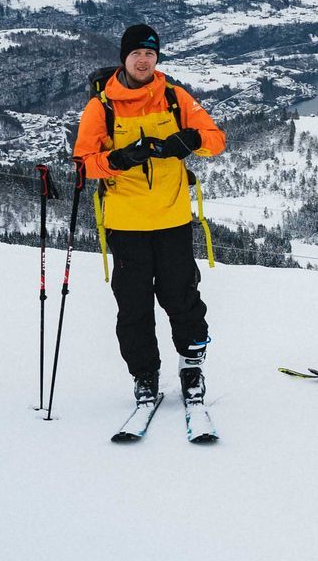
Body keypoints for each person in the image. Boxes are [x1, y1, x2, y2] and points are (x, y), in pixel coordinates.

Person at [72, 23, 227, 408]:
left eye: (150, 54)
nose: (144, 60)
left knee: (182, 297)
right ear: (124, 58)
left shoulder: (175, 97)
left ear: (157, 58)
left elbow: (215, 140)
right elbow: (83, 164)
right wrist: (119, 159)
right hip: (126, 224)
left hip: (172, 219)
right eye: (137, 53)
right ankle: (145, 375)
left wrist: (189, 140)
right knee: (134, 304)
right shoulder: (101, 106)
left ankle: (192, 367)